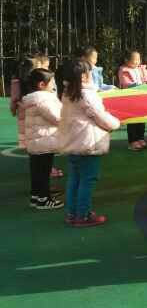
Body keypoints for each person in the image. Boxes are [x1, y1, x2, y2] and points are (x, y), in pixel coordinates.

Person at [57, 59, 121, 227]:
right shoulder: (86, 95)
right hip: (87, 144)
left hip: (73, 143)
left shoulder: (67, 92)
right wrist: (115, 123)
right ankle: (83, 215)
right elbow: (99, 116)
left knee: (75, 179)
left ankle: (72, 213)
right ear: (84, 76)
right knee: (88, 180)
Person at [20, 68, 64, 210]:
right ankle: (44, 199)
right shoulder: (43, 99)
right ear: (42, 85)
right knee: (44, 172)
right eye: (52, 82)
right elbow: (56, 117)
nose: (54, 85)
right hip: (45, 141)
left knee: (36, 171)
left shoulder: (30, 99)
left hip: (35, 142)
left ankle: (35, 196)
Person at [117, 50, 147, 152]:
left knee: (141, 119)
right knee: (132, 121)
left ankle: (140, 138)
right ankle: (132, 141)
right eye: (134, 60)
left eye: (138, 59)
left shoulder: (141, 69)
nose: (137, 62)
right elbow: (125, 83)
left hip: (141, 99)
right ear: (126, 60)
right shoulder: (124, 70)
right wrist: (138, 85)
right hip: (130, 100)